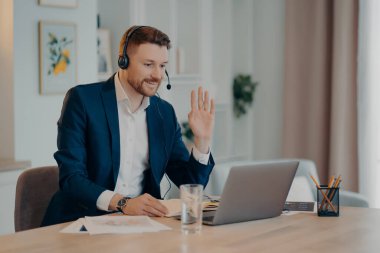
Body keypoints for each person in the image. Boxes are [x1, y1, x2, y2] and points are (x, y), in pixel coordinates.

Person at [41, 25, 215, 226]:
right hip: (80, 222)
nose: (157, 75)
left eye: (162, 66)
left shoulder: (164, 113)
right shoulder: (82, 100)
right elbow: (71, 178)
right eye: (149, 64)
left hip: (138, 226)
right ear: (123, 61)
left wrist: (202, 140)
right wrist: (123, 203)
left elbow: (191, 185)